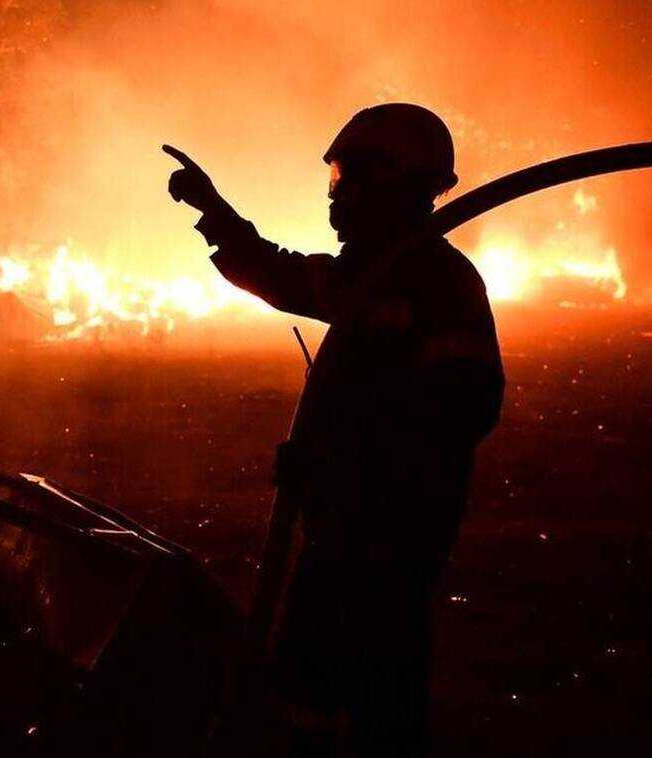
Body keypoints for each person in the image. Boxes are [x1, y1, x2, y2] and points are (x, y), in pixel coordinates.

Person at [166, 104, 504, 756]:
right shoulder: (370, 275)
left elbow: (460, 408)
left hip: (390, 535)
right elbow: (279, 274)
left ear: (394, 183)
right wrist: (213, 211)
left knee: (366, 679)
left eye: (349, 178)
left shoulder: (438, 284)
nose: (335, 195)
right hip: (346, 527)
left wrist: (345, 465)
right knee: (315, 673)